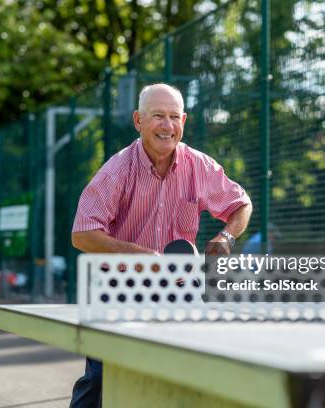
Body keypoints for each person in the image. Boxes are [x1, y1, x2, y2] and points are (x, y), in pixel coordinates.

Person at [69, 83, 252, 407]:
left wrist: (226, 236)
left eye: (173, 117)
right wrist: (136, 254)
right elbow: (82, 235)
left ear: (183, 120)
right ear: (139, 121)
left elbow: (241, 204)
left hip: (180, 285)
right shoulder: (116, 171)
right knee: (101, 375)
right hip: (118, 285)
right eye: (157, 116)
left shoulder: (200, 166)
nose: (167, 126)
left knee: (189, 368)